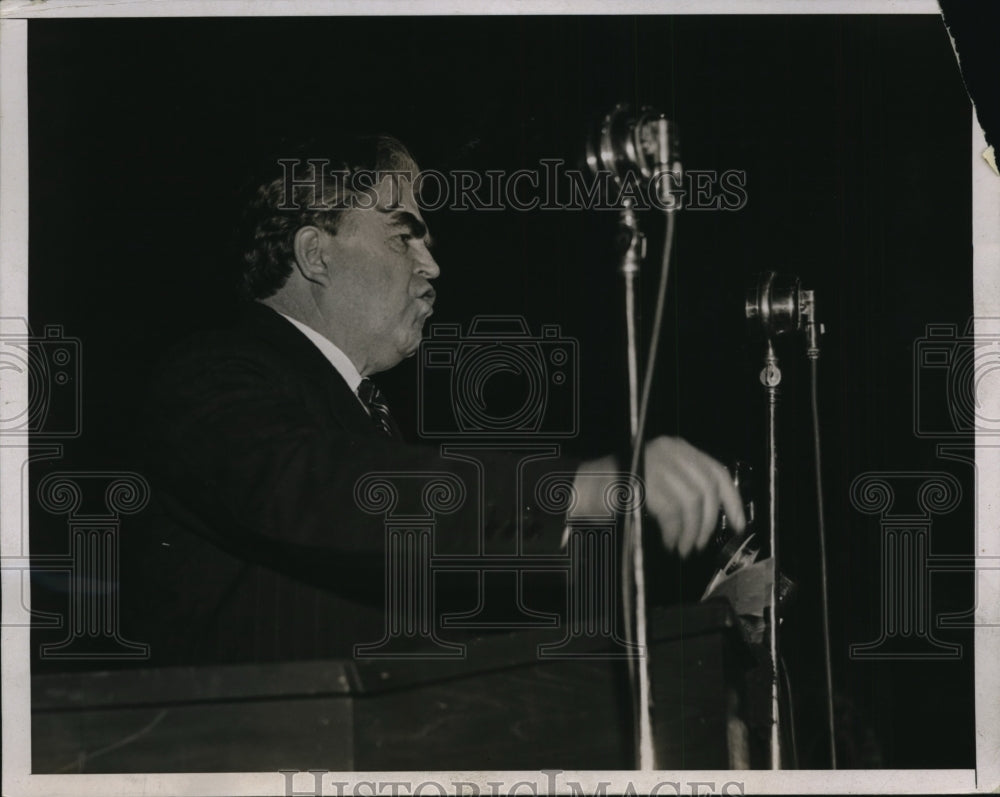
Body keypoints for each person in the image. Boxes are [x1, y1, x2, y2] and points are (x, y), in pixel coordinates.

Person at [130, 134, 744, 666]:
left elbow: (453, 603)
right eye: (404, 237)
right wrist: (575, 490)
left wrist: (696, 614)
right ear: (316, 254)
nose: (432, 265)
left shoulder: (369, 418)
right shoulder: (207, 374)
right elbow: (325, 492)